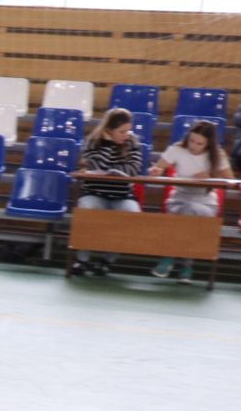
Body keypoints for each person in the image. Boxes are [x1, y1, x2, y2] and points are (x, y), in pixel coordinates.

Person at [149, 119, 231, 282]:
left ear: (208, 144)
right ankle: (186, 266)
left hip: (205, 200)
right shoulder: (177, 149)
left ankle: (169, 256)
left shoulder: (217, 154)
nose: (194, 146)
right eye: (192, 141)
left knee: (190, 211)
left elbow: (230, 179)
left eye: (199, 144)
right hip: (179, 197)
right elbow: (158, 167)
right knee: (187, 211)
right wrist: (155, 170)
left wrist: (210, 175)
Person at [69, 107, 144, 277]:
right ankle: (82, 260)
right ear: (109, 130)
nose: (126, 135)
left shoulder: (133, 142)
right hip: (94, 192)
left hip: (122, 195)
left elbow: (133, 169)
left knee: (132, 215)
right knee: (86, 210)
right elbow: (95, 166)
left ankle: (106, 261)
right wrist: (108, 145)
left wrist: (110, 169)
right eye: (121, 131)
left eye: (128, 130)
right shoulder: (93, 141)